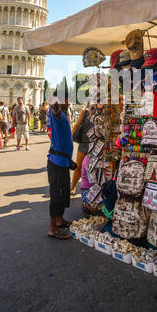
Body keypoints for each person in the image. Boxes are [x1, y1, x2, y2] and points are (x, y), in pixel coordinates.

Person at [46, 96, 73, 240]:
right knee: (56, 195)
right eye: (64, 100)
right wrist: (55, 102)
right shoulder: (56, 113)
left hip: (63, 161)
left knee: (63, 192)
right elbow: (54, 106)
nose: (67, 102)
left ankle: (59, 220)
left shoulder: (62, 115)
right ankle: (53, 228)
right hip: (56, 162)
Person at [70, 103, 94, 194]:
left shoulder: (102, 112)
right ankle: (73, 187)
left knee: (94, 167)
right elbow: (77, 125)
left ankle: (92, 189)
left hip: (96, 143)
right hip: (85, 142)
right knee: (78, 166)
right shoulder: (85, 111)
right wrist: (70, 137)